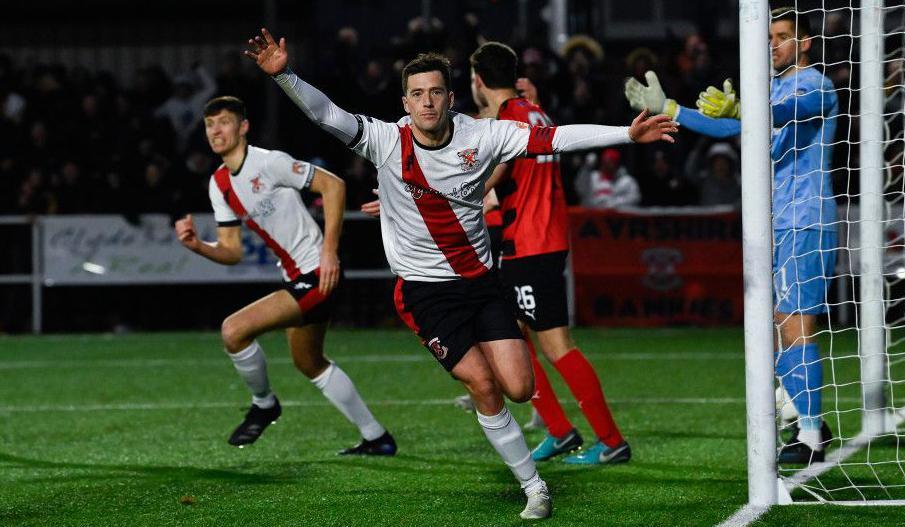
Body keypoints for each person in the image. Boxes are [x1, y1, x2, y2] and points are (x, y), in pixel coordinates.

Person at [245, 28, 676, 519]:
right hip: (426, 296)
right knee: (485, 387)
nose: (426, 103)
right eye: (416, 95)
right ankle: (534, 488)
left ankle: (513, 407)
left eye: (434, 93)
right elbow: (328, 115)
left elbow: (553, 138)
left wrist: (627, 132)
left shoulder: (483, 134)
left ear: (452, 97)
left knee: (517, 386)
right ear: (404, 103)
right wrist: (286, 77)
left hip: (482, 285)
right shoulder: (386, 140)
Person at [625, 7, 837, 464]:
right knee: (783, 325)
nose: (773, 45)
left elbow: (791, 110)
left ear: (804, 43)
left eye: (782, 37)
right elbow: (729, 126)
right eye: (769, 37)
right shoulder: (772, 89)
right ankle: (807, 416)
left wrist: (749, 106)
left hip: (805, 219)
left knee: (797, 325)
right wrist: (669, 108)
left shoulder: (815, 84)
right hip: (779, 220)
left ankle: (812, 434)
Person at [174, 95, 396, 456]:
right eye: (210, 125)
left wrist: (329, 253)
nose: (216, 130)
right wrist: (198, 245)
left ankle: (264, 404)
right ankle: (377, 437)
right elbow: (232, 250)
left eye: (224, 122)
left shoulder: (269, 162)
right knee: (309, 362)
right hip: (298, 277)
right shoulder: (219, 184)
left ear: (243, 127)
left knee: (233, 330)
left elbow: (334, 185)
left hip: (317, 272)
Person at [468, 41, 633, 465]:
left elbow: (496, 170)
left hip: (532, 242)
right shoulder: (532, 111)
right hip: (534, 238)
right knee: (513, 338)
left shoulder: (507, 120)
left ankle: (612, 442)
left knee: (557, 345)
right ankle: (559, 431)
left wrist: (453, 195)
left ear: (479, 81)